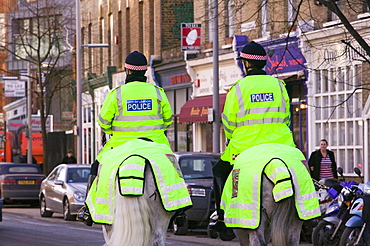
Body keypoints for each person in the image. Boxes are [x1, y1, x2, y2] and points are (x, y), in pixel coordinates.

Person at [78, 51, 173, 226]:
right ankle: (179, 209)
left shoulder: (117, 94)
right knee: (172, 169)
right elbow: (168, 120)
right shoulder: (158, 92)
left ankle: (87, 210)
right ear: (144, 71)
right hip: (155, 145)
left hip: (120, 146)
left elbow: (104, 122)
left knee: (96, 167)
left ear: (127, 71)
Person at [210, 41, 296, 231]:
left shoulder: (238, 88)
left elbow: (229, 122)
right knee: (300, 171)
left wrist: (233, 138)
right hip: (280, 145)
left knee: (219, 171)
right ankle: (307, 215)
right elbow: (287, 118)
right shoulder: (279, 85)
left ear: (247, 63)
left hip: (245, 147)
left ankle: (222, 218)